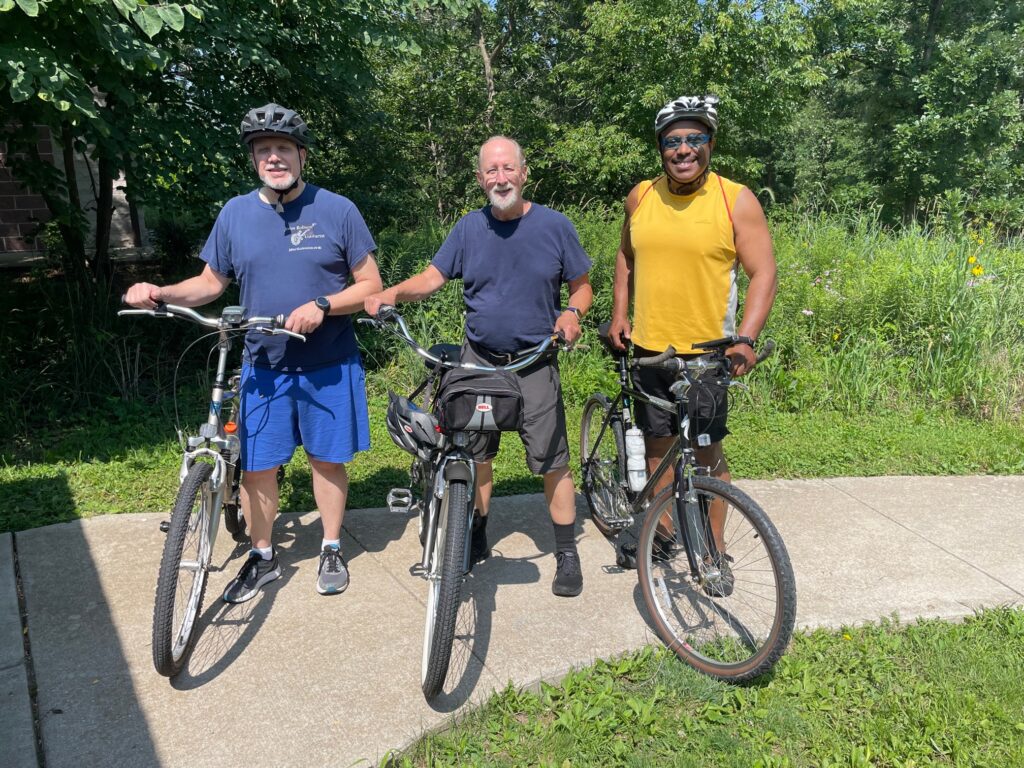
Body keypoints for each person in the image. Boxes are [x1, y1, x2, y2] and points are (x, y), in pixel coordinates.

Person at [124, 103, 382, 602]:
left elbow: (370, 285)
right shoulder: (235, 214)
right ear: (254, 160)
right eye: (263, 150)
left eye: (283, 148)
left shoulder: (337, 210)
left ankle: (330, 545)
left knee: (326, 461)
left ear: (301, 155)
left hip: (328, 363)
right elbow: (209, 283)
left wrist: (324, 304)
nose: (274, 157)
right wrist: (161, 291)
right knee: (259, 464)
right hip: (265, 365)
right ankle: (262, 556)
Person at [365, 136, 593, 597]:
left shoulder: (554, 226)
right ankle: (476, 532)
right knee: (476, 455)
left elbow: (581, 287)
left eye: (508, 168)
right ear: (479, 178)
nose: (500, 178)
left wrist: (572, 314)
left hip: (534, 363)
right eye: (491, 170)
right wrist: (391, 293)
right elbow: (433, 277)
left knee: (553, 461)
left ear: (524, 173)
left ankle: (567, 551)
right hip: (478, 362)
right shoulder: (469, 228)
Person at [608, 95, 777, 584]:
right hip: (648, 348)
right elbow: (626, 255)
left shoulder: (735, 199)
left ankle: (713, 550)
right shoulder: (640, 196)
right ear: (661, 147)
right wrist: (620, 313)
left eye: (694, 139)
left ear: (710, 143)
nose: (683, 150)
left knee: (707, 451)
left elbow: (763, 271)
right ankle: (662, 530)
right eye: (672, 141)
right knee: (660, 446)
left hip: (706, 354)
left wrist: (745, 337)